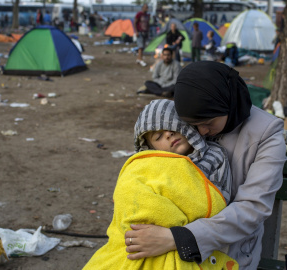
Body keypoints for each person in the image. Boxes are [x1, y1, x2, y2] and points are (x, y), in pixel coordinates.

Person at [124, 61, 287, 270]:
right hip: (166, 238)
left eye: (208, 123)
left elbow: (253, 208)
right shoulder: (189, 115)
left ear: (227, 104)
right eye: (193, 124)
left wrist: (178, 238)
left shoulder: (267, 134)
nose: (200, 132)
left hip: (229, 250)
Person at [83, 99, 236, 269]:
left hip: (191, 238)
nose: (168, 135)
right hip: (146, 237)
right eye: (158, 136)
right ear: (150, 147)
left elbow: (219, 202)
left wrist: (175, 233)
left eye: (173, 127)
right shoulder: (146, 167)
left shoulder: (215, 157)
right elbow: (132, 196)